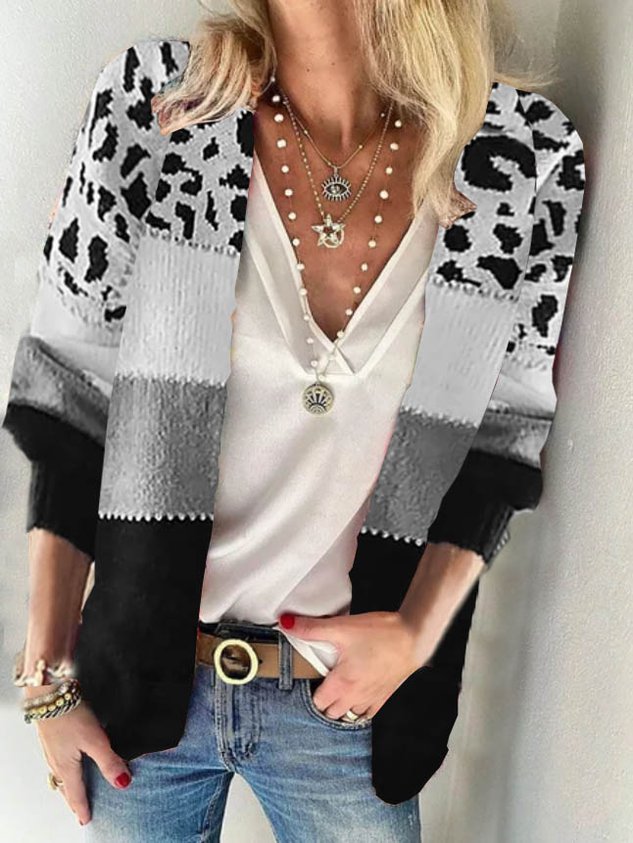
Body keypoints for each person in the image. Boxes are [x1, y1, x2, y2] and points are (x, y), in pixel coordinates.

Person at [3, 1, 586, 840]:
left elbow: (505, 434)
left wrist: (416, 632)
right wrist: (48, 681)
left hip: (349, 706)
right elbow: (68, 400)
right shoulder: (158, 107)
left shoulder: (519, 156)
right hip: (140, 683)